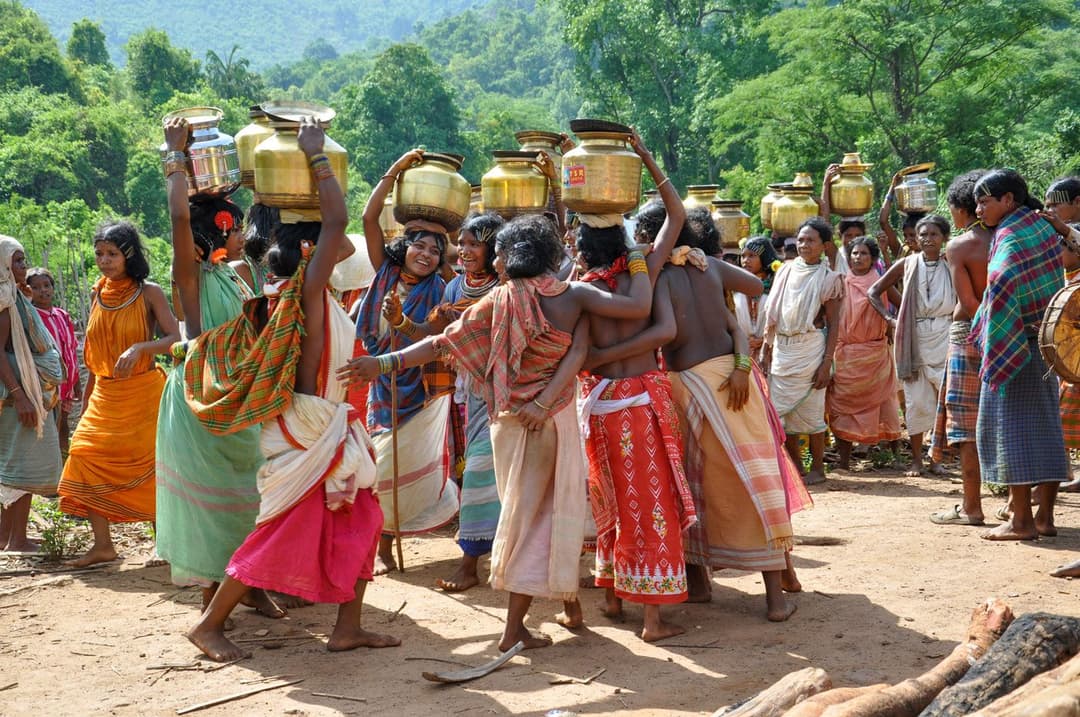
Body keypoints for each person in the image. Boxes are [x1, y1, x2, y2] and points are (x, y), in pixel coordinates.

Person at [341, 213, 656, 651]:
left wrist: (384, 363)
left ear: (512, 257)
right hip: (551, 417)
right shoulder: (573, 297)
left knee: (528, 512)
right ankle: (513, 631)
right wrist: (637, 257)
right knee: (543, 514)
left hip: (508, 421)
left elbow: (441, 342)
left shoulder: (500, 299)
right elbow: (640, 307)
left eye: (501, 252)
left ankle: (566, 606)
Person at [184, 117, 397, 662]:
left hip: (322, 428)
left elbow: (333, 230)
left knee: (362, 521)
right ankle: (208, 625)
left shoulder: (288, 297)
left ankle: (347, 627)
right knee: (281, 534)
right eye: (327, 245)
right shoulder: (306, 295)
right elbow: (340, 220)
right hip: (313, 431)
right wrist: (315, 155)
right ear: (311, 255)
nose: (341, 246)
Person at [593, 223, 810, 620]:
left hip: (685, 385)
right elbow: (755, 289)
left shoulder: (653, 275)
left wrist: (602, 357)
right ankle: (774, 597)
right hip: (732, 378)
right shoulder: (707, 264)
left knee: (689, 486)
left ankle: (701, 585)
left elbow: (665, 330)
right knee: (754, 482)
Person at [154, 116, 285, 617]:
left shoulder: (236, 276)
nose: (243, 237)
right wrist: (175, 158)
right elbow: (180, 222)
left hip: (241, 398)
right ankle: (214, 608)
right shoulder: (191, 280)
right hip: (201, 400)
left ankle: (250, 583)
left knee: (253, 489)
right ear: (219, 232)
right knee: (214, 500)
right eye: (235, 228)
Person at [576, 129, 694, 641]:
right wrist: (645, 156)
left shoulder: (579, 288)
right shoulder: (642, 272)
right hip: (642, 403)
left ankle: (610, 599)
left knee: (609, 500)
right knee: (650, 504)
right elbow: (678, 216)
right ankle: (650, 618)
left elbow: (581, 352)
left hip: (600, 404)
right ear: (626, 240)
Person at [358, 150, 459, 574]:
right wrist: (395, 170)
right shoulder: (385, 270)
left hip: (417, 385)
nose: (426, 255)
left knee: (409, 465)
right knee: (380, 466)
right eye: (419, 245)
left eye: (435, 251)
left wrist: (403, 322)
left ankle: (392, 536)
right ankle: (376, 545)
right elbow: (368, 218)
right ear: (406, 245)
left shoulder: (442, 288)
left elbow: (431, 340)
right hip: (381, 384)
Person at [57, 222, 179, 567]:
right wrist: (85, 403)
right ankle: (103, 546)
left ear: (128, 255)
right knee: (83, 454)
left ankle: (165, 545)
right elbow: (96, 356)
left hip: (145, 393)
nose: (105, 260)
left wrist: (141, 347)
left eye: (112, 253)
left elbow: (175, 339)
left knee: (154, 465)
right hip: (105, 395)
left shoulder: (149, 292)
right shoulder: (98, 292)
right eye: (99, 254)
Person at [971, 169, 1067, 541]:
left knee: (1012, 431)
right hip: (1047, 342)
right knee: (1046, 428)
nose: (980, 209)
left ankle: (1022, 522)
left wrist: (990, 327)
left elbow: (1003, 281)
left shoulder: (1010, 233)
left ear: (1008, 200)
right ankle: (1045, 518)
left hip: (1016, 344)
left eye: (985, 201)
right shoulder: (1041, 226)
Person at [431, 212, 505, 592]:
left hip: (502, 392)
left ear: (493, 247)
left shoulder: (506, 287)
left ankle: (475, 562)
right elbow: (439, 340)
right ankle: (475, 560)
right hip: (468, 394)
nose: (464, 251)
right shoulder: (453, 289)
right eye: (461, 244)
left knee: (486, 474)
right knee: (473, 474)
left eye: (473, 244)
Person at [868, 214, 956, 476]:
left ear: (944, 238)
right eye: (923, 234)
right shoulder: (907, 263)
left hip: (945, 332)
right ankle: (917, 461)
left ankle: (937, 459)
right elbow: (875, 291)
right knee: (916, 401)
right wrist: (891, 318)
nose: (928, 239)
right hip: (913, 335)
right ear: (916, 238)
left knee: (946, 399)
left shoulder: (952, 263)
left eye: (934, 235)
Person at [928, 170, 992, 525]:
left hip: (970, 334)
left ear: (961, 209)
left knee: (966, 421)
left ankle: (971, 506)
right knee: (1005, 418)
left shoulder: (962, 246)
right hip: (1012, 332)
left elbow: (968, 304)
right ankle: (1016, 505)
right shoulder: (1010, 237)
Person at [761, 216, 843, 485]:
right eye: (801, 239)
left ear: (824, 245)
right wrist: (767, 348)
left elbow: (833, 325)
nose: (804, 244)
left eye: (811, 240)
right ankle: (796, 468)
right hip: (783, 349)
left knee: (811, 413)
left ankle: (818, 468)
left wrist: (826, 364)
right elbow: (773, 314)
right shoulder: (785, 271)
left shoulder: (830, 279)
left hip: (811, 350)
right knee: (781, 416)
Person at [0, 238, 64, 553]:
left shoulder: (14, 298)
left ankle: (6, 537)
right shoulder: (4, 305)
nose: (24, 267)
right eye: (19, 261)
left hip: (22, 394)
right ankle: (17, 539)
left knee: (14, 463)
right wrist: (21, 395)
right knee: (21, 466)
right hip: (18, 397)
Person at [826, 237, 902, 470]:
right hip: (845, 353)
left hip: (875, 353)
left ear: (873, 258)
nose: (858, 257)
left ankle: (897, 458)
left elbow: (902, 303)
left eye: (864, 254)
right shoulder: (840, 282)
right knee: (840, 407)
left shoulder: (880, 283)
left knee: (885, 405)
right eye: (855, 254)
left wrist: (894, 325)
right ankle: (844, 461)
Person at [25, 267, 80, 455]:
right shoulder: (30, 317)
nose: (43, 291)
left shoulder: (62, 316)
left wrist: (76, 384)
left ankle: (63, 458)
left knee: (64, 422)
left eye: (47, 285)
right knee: (49, 425)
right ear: (27, 291)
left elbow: (71, 350)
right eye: (36, 287)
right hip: (46, 385)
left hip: (66, 385)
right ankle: (50, 461)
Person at [735, 236, 781, 355]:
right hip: (741, 351)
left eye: (751, 255)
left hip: (771, 352)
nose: (745, 260)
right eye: (743, 256)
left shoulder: (777, 285)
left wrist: (766, 340)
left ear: (764, 257)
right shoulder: (734, 285)